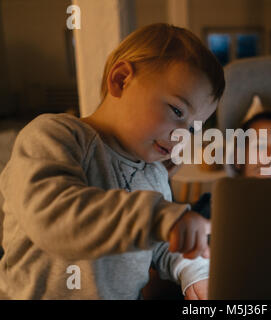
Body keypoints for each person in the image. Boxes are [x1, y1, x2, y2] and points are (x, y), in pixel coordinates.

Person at [0, 23, 225, 299]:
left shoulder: (154, 175)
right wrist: (159, 216)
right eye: (177, 110)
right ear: (120, 80)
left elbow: (161, 244)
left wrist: (195, 271)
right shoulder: (55, 136)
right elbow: (51, 216)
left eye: (192, 128)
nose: (182, 136)